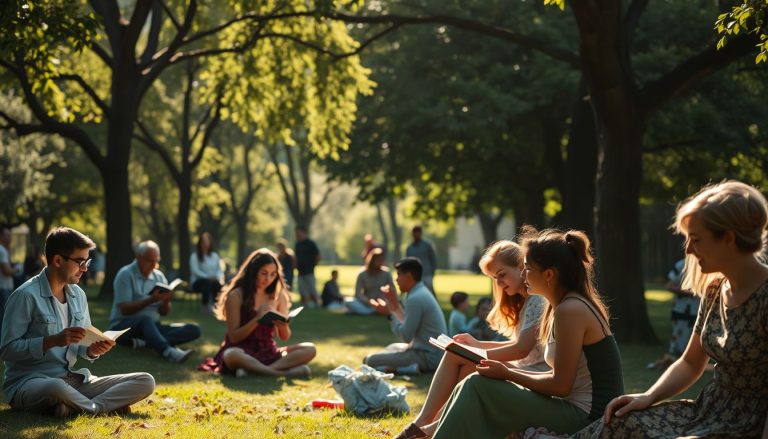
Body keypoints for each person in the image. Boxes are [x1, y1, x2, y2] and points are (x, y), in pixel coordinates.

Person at [575, 180, 768, 438]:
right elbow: (690, 363)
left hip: (748, 424)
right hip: (708, 412)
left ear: (729, 238)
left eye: (696, 239)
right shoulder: (715, 290)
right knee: (621, 422)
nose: (688, 249)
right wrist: (648, 396)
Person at [430, 229, 624, 438]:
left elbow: (560, 385)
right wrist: (505, 373)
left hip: (588, 417)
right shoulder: (560, 306)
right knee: (475, 382)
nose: (523, 275)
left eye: (528, 269)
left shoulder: (570, 310)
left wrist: (507, 374)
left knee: (476, 385)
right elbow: (559, 379)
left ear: (549, 274)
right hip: (572, 407)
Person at [395, 240, 547, 439]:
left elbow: (521, 350)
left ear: (521, 267)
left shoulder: (536, 300)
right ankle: (436, 423)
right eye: (495, 278)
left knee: (454, 355)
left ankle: (424, 422)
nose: (499, 283)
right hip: (524, 367)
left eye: (502, 275)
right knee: (466, 366)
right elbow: (517, 345)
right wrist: (476, 344)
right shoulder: (526, 301)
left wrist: (476, 352)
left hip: (534, 373)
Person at [0, 227, 155, 417]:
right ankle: (97, 408)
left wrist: (91, 350)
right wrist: (52, 341)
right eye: (80, 262)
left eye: (87, 261)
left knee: (146, 380)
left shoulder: (78, 294)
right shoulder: (25, 296)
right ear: (57, 260)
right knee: (55, 387)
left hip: (73, 381)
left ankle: (72, 407)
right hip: (30, 383)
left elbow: (82, 344)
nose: (85, 268)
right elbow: (6, 350)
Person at [198, 248, 316, 377]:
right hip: (241, 350)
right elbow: (234, 337)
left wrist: (284, 325)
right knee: (230, 354)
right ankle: (279, 373)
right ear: (253, 272)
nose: (268, 279)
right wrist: (257, 319)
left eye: (273, 274)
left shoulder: (278, 296)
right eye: (264, 273)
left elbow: (284, 337)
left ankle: (256, 371)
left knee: (310, 349)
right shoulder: (236, 296)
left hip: (268, 351)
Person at [109, 240, 201, 362]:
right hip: (122, 328)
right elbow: (124, 309)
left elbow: (164, 313)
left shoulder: (159, 276)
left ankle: (146, 343)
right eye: (150, 261)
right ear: (139, 258)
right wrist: (151, 300)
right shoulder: (125, 274)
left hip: (152, 327)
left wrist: (166, 301)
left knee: (194, 329)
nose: (153, 265)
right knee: (144, 319)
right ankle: (167, 351)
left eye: (156, 261)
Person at [364, 257, 446, 375]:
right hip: (426, 353)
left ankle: (402, 369)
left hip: (427, 357)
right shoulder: (418, 292)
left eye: (398, 275)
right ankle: (410, 368)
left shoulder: (416, 298)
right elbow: (408, 323)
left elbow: (406, 336)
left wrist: (389, 314)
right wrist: (394, 306)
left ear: (408, 276)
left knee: (369, 360)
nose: (396, 280)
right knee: (391, 348)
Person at [646, 258, 701, 371]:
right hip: (681, 311)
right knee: (678, 343)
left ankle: (683, 367)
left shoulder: (707, 264)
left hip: (699, 312)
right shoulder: (682, 265)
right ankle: (670, 366)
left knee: (693, 344)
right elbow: (669, 285)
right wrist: (686, 292)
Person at [346, 248, 397, 315]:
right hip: (367, 303)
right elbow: (358, 293)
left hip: (382, 302)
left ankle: (370, 311)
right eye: (376, 259)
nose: (379, 261)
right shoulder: (362, 274)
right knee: (348, 301)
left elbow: (392, 290)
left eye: (380, 259)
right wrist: (369, 301)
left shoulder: (386, 273)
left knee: (390, 304)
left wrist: (383, 299)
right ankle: (371, 312)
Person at [190, 232, 224, 314]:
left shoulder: (215, 256)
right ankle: (204, 306)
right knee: (206, 283)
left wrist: (216, 277)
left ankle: (217, 306)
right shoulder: (194, 256)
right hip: (198, 282)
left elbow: (219, 269)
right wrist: (208, 277)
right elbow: (195, 271)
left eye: (207, 242)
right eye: (203, 242)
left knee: (217, 284)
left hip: (212, 281)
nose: (205, 244)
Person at [0, 227, 21, 333]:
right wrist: (17, 268)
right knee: (4, 317)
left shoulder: (4, 250)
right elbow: (6, 271)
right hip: (3, 288)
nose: (10, 237)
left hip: (4, 287)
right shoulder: (2, 250)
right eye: (7, 235)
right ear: (1, 236)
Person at [405, 226, 437, 293]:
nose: (416, 235)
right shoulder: (409, 248)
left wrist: (432, 271)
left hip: (426, 273)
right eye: (414, 233)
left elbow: (433, 259)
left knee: (429, 292)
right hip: (414, 276)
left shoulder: (427, 245)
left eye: (418, 232)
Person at [295, 225, 320, 308]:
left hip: (309, 271)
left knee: (312, 288)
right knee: (302, 289)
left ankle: (317, 303)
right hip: (300, 271)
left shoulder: (311, 243)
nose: (297, 235)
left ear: (304, 232)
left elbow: (317, 256)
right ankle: (305, 304)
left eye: (299, 233)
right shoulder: (297, 244)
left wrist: (313, 265)